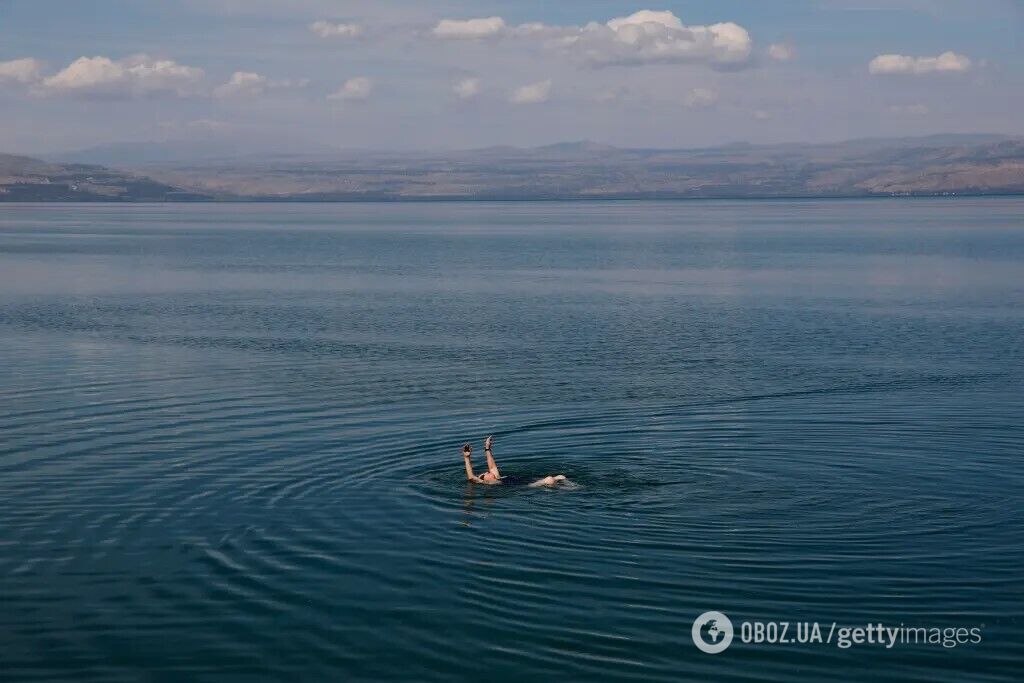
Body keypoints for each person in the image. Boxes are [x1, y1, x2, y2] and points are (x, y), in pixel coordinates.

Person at [462, 435, 567, 487]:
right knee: (549, 479)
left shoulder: (498, 477)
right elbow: (471, 477)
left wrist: (487, 448)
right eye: (485, 474)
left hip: (529, 480)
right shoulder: (492, 483)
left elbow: (492, 467)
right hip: (531, 486)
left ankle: (574, 487)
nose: (487, 472)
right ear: (484, 480)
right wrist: (467, 458)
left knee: (560, 477)